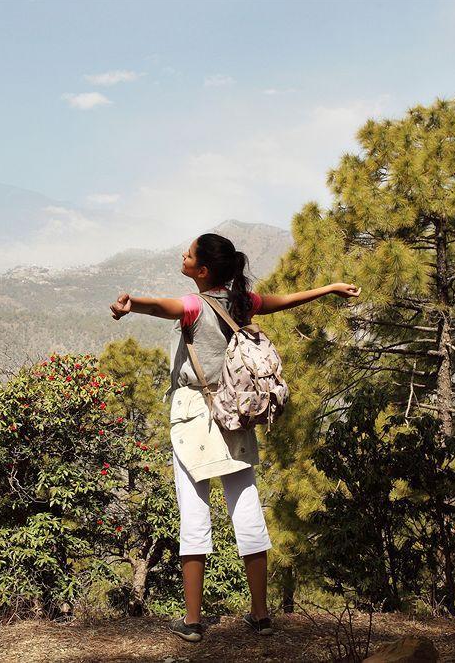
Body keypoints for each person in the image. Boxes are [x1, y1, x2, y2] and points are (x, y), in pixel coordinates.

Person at [109, 232, 360, 643]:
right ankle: (260, 615)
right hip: (237, 416)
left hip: (195, 417)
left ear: (202, 271)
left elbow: (162, 306)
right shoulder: (242, 302)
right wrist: (329, 289)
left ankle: (192, 621)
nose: (183, 256)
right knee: (246, 510)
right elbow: (284, 300)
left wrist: (131, 304)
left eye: (189, 255)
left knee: (194, 513)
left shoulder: (194, 306)